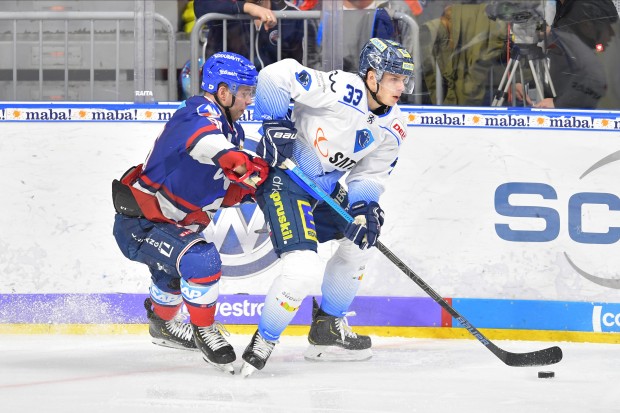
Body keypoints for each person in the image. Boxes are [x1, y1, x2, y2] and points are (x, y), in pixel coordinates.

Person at [240, 38, 415, 377]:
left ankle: (328, 329)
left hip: (323, 190)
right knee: (303, 268)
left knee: (360, 242)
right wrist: (275, 123)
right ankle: (263, 341)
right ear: (371, 76)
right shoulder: (341, 89)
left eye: (403, 79)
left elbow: (370, 173)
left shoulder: (394, 128)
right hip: (285, 179)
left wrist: (365, 206)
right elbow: (276, 75)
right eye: (394, 78)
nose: (401, 87)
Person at [111, 52, 269, 374]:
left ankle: (161, 324)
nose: (248, 101)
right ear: (223, 91)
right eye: (245, 92)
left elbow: (221, 190)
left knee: (172, 282)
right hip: (141, 223)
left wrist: (259, 188)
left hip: (167, 226)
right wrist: (237, 162)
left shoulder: (230, 131)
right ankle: (204, 329)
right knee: (202, 259)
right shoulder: (198, 112)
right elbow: (206, 144)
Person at [515, 0, 619, 109]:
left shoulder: (586, 7)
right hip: (558, 93)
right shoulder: (560, 6)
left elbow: (594, 78)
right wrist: (519, 80)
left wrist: (559, 103)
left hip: (578, 109)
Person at [194, 0, 319, 71]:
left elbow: (307, 67)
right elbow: (199, 5)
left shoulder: (291, 15)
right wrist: (247, 8)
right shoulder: (223, 8)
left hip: (277, 101)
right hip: (230, 101)